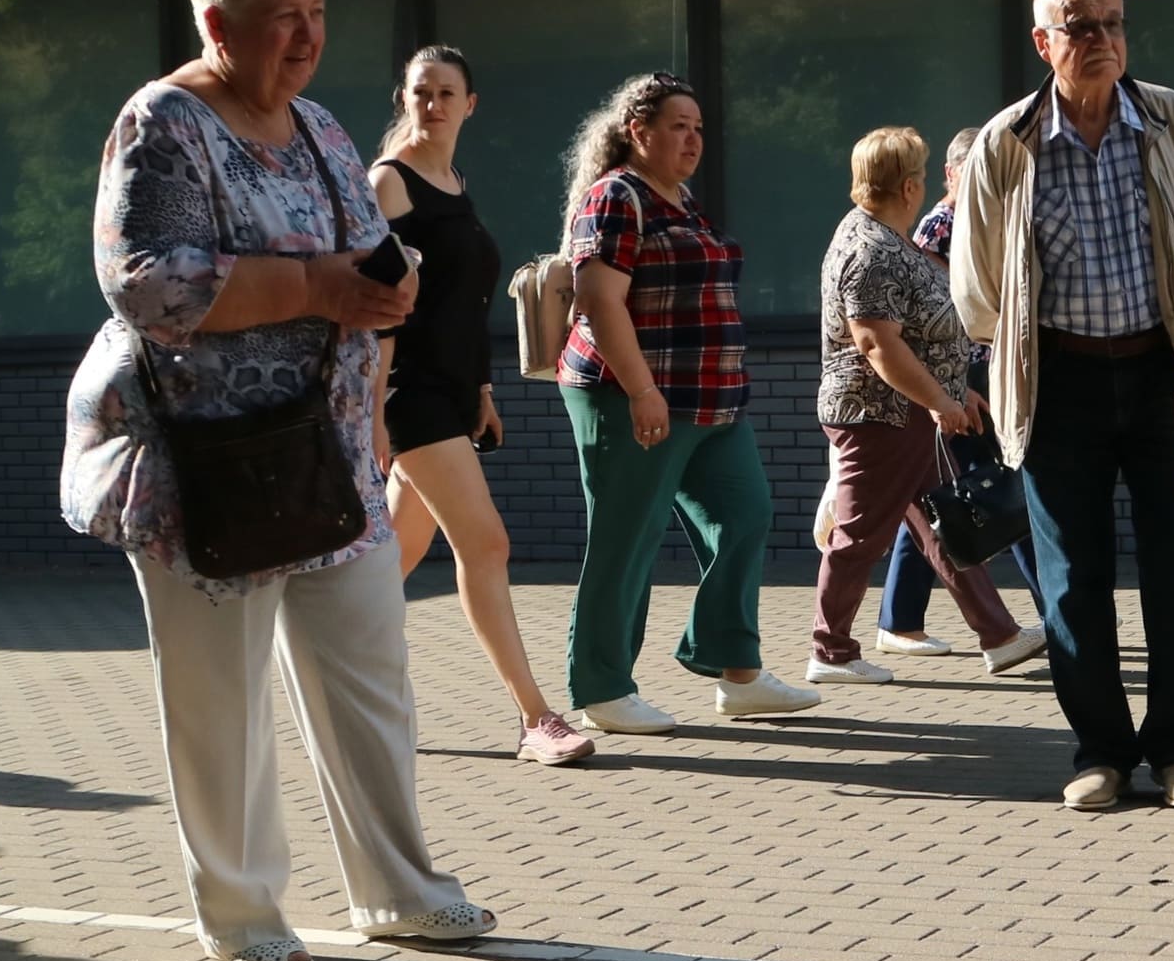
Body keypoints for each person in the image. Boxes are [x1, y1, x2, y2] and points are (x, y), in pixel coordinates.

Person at [60, 0, 488, 961]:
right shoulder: (164, 121)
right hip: (207, 465)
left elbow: (366, 251)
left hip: (328, 451)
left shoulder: (321, 127)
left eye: (317, 13)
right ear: (219, 25)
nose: (307, 36)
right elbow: (148, 285)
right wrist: (316, 288)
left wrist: (388, 291)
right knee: (221, 701)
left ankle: (400, 892)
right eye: (282, 17)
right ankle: (241, 907)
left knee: (371, 678)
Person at [952, 0, 1174, 812]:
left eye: (1114, 22)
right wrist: (1018, 359)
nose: (1102, 39)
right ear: (1044, 43)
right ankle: (1101, 752)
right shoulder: (1006, 143)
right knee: (1072, 578)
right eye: (1080, 26)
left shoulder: (1173, 120)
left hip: (1163, 372)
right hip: (1058, 380)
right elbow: (977, 291)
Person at [557, 71, 818, 732]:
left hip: (711, 399)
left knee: (745, 515)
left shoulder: (681, 200)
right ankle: (602, 689)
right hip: (632, 395)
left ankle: (736, 672)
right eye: (679, 126)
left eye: (698, 127)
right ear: (638, 132)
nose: (694, 138)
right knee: (627, 538)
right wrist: (641, 390)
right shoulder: (616, 196)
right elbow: (599, 301)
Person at [369, 44, 592, 766]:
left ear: (470, 104)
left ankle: (327, 668)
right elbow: (380, 309)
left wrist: (483, 390)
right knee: (486, 544)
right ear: (404, 99)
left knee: (389, 562)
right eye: (420, 91)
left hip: (452, 391)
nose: (431, 104)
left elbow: (461, 304)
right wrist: (371, 413)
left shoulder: (453, 182)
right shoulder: (389, 183)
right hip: (409, 394)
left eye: (445, 92)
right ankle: (535, 718)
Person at [808, 126, 1043, 687]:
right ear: (909, 186)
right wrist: (940, 398)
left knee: (943, 524)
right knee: (859, 535)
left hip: (905, 413)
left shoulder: (882, 236)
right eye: (919, 172)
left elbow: (911, 338)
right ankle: (830, 651)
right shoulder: (871, 248)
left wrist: (954, 390)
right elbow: (877, 344)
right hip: (877, 416)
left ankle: (999, 636)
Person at [875, 123, 1044, 657]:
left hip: (985, 374)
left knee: (951, 495)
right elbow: (940, 313)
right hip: (959, 379)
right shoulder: (939, 229)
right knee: (998, 489)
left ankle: (899, 619)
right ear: (950, 174)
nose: (983, 184)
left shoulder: (986, 222)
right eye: (973, 174)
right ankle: (1054, 610)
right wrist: (946, 389)